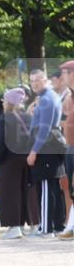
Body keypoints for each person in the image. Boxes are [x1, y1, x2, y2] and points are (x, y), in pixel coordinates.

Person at [27, 69, 66, 238]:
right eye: (31, 81)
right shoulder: (46, 98)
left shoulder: (47, 99)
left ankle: (46, 228)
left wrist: (34, 151)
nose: (34, 83)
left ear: (44, 80)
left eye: (37, 80)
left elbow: (44, 129)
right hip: (50, 146)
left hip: (46, 147)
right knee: (53, 188)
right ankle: (56, 226)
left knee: (46, 187)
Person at [0, 88, 38, 239]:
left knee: (10, 193)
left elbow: (0, 143)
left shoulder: (5, 118)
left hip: (9, 160)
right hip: (26, 158)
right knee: (27, 192)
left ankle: (14, 227)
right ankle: (33, 225)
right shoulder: (28, 117)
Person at [58, 61, 74, 239]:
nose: (62, 76)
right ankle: (71, 226)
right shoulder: (68, 97)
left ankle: (70, 227)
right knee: (71, 188)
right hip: (70, 146)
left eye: (66, 72)